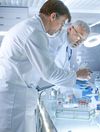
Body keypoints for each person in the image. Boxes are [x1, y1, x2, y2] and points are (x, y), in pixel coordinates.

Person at [0, 0, 79, 131]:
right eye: (62, 23)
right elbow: (50, 73)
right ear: (53, 16)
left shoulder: (30, 27)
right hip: (15, 98)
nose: (61, 29)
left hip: (17, 94)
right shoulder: (34, 32)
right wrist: (77, 75)